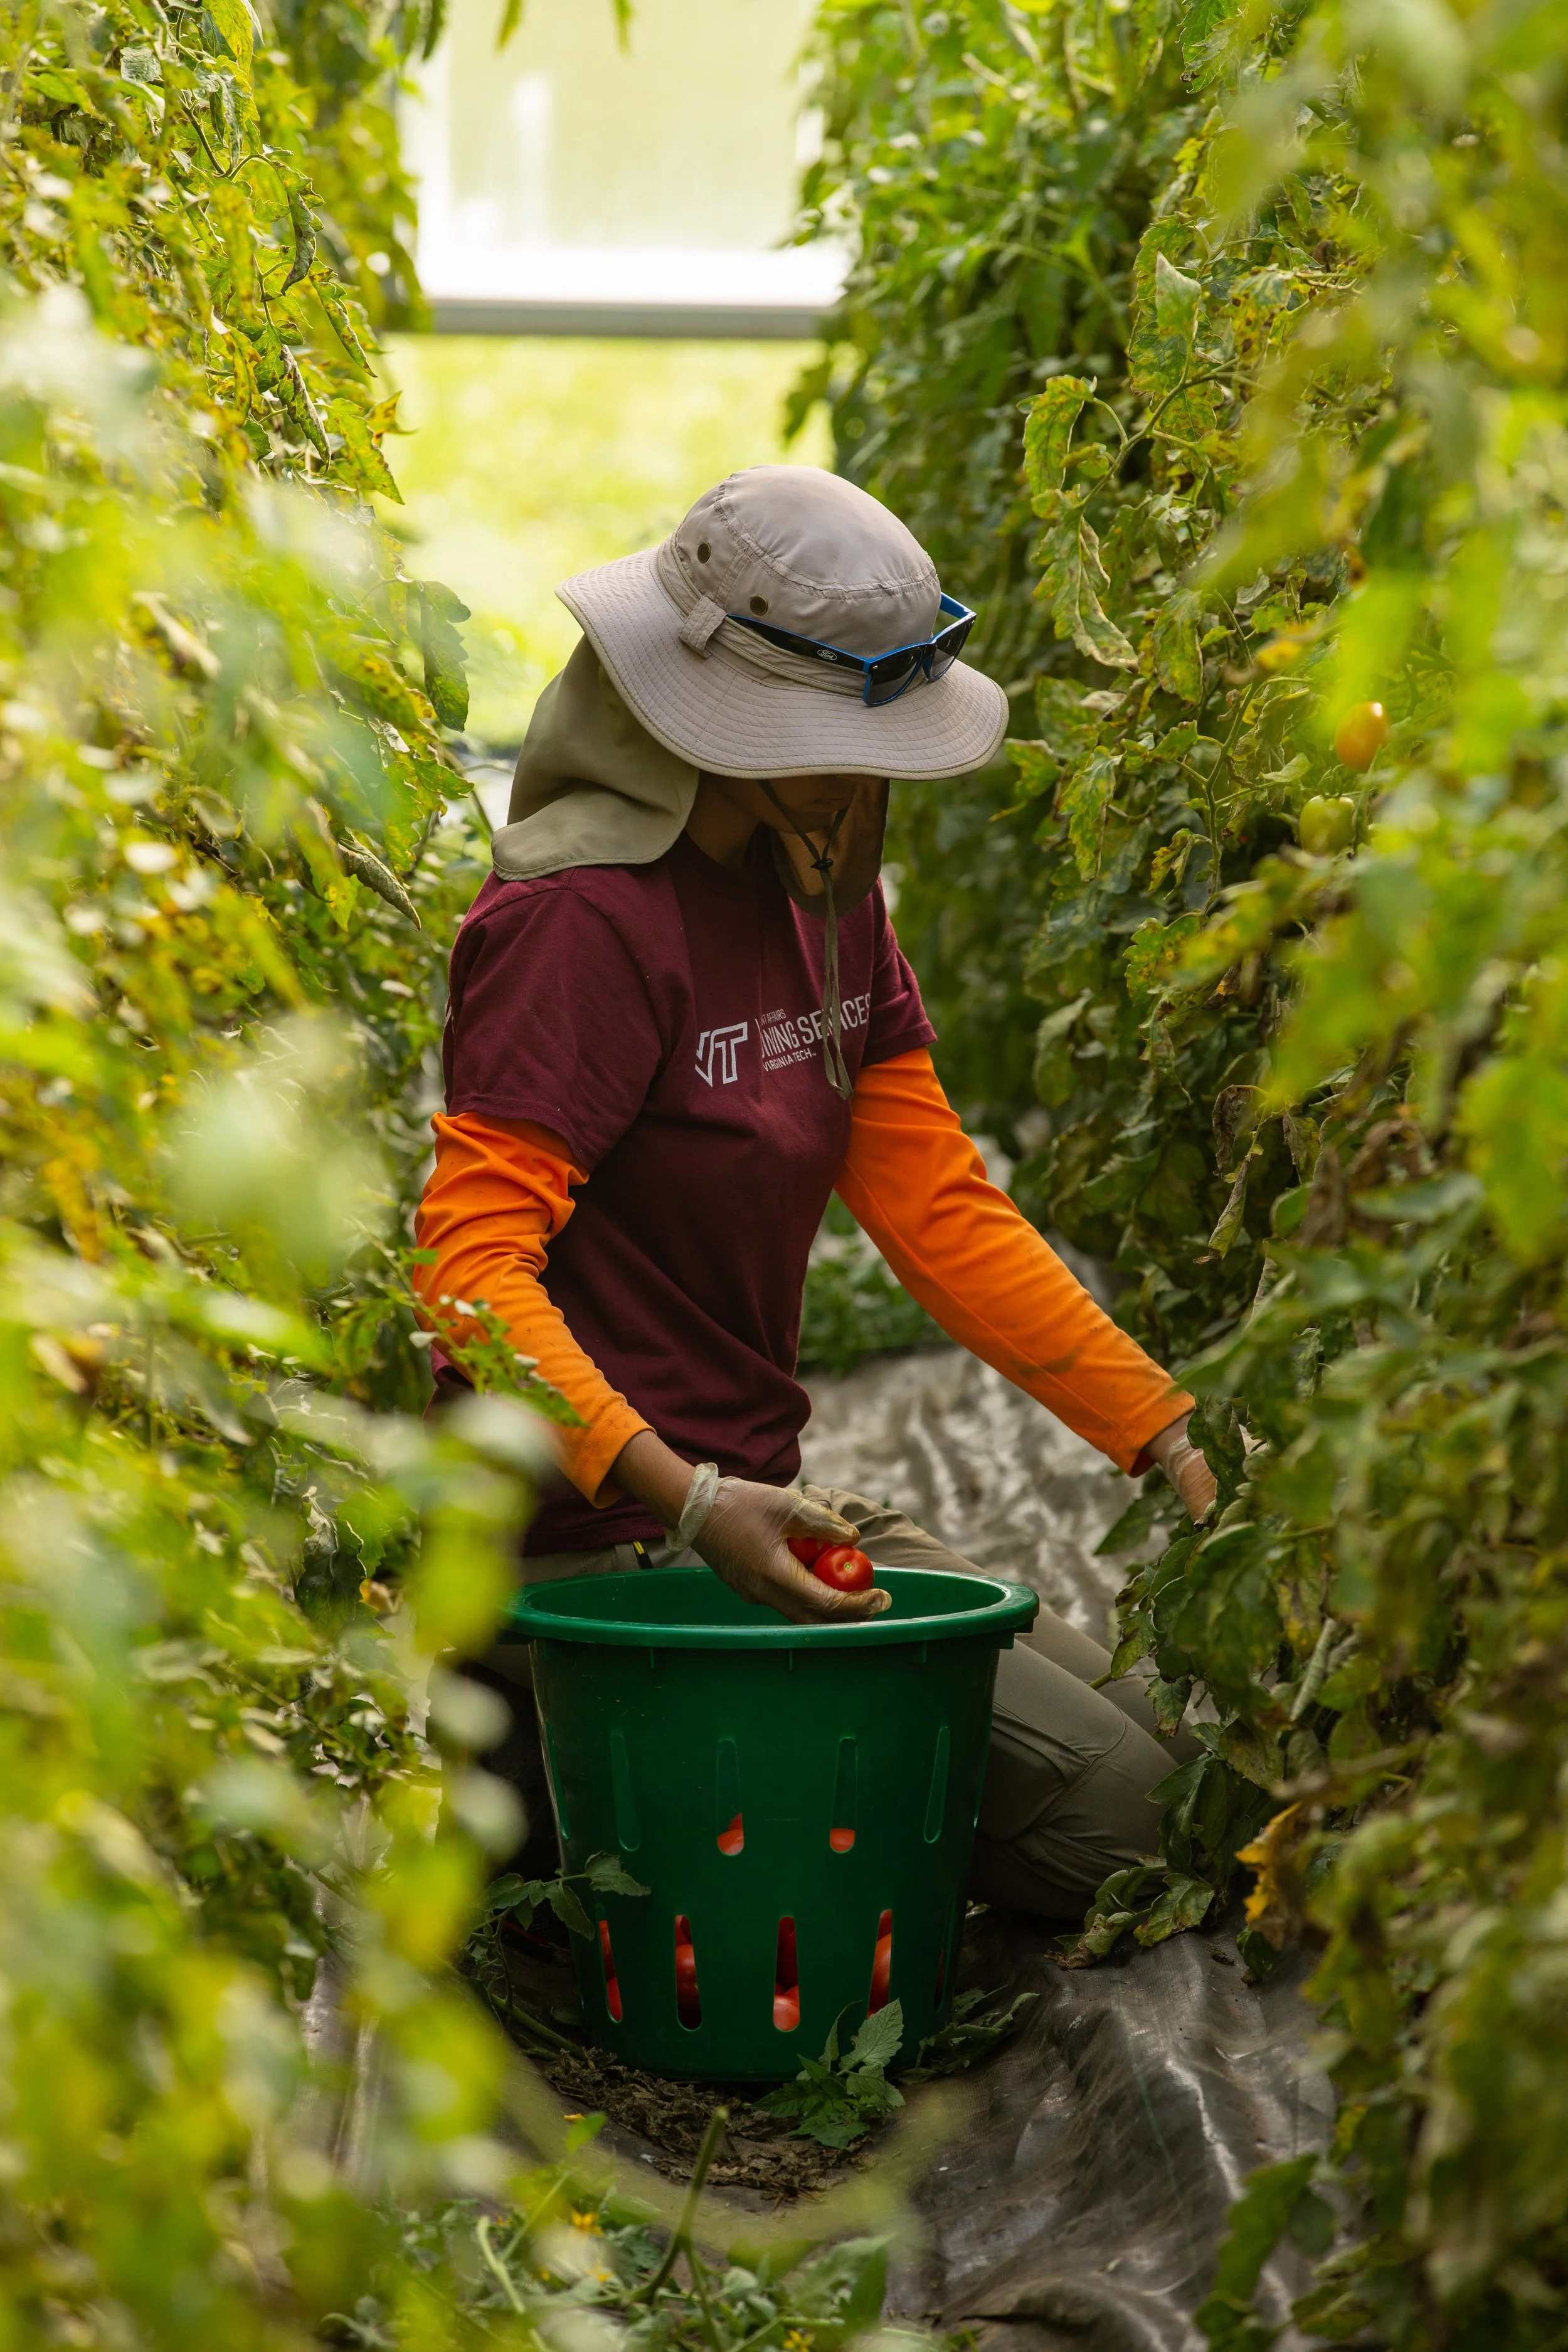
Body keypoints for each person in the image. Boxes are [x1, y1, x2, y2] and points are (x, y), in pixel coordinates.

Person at [415, 465, 1214, 1923]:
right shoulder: (583, 924)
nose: (878, 776)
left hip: (751, 1509)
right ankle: (548, 1753)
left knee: (1195, 1786)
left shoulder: (817, 886)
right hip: (598, 1549)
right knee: (1136, 1843)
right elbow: (466, 1276)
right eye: (841, 740)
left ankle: (690, 1789)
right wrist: (688, 1493)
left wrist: (1161, 1434)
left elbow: (938, 1207)